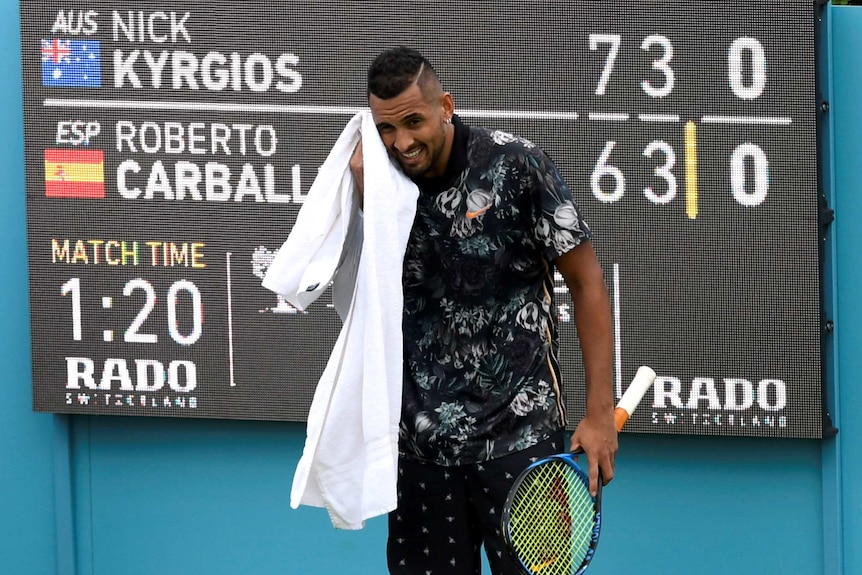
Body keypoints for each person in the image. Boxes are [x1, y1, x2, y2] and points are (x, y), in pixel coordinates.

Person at [350, 46, 617, 575]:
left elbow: (587, 282)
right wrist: (364, 199)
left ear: (445, 106)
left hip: (522, 445)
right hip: (420, 451)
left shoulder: (517, 165)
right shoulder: (375, 183)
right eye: (386, 129)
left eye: (413, 122)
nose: (401, 142)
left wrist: (599, 412)